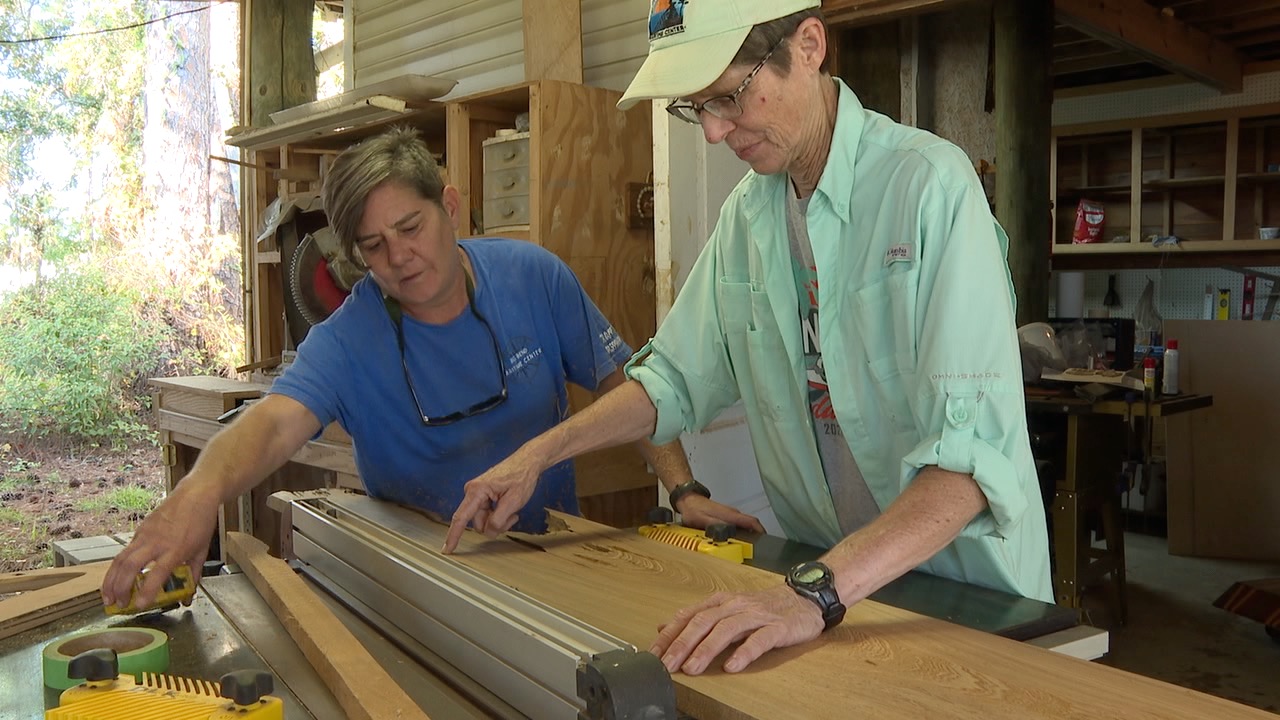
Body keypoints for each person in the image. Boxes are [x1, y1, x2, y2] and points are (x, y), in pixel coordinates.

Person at [444, 0, 1052, 676]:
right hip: (830, 596)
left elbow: (969, 467)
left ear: (809, 46)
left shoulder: (929, 188)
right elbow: (670, 380)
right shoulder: (749, 216)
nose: (713, 132)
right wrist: (538, 454)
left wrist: (812, 593)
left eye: (730, 96)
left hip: (968, 603)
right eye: (696, 107)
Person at [101, 127, 760, 610]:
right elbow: (271, 424)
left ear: (449, 206)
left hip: (554, 569)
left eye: (411, 227)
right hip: (422, 590)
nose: (399, 257)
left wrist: (683, 490)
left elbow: (627, 385)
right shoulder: (348, 339)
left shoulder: (534, 277)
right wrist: (197, 494)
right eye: (374, 246)